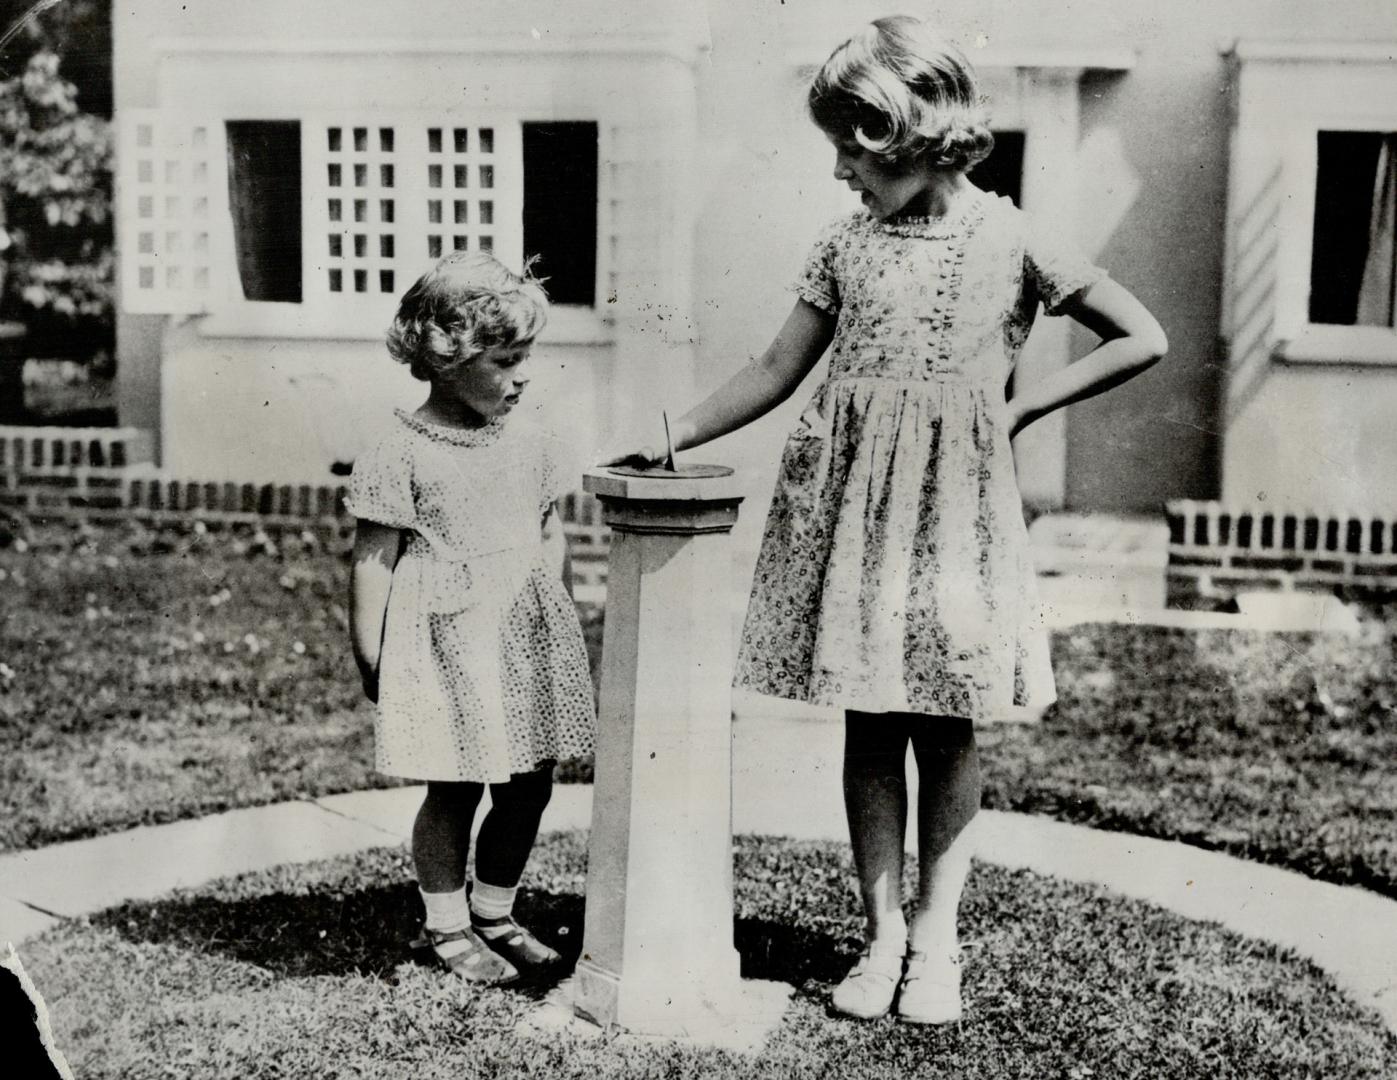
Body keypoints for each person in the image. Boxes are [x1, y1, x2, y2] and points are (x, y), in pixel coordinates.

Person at [604, 15, 1167, 1023]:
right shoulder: (842, 245)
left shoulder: (1012, 233)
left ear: (906, 143)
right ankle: (882, 939)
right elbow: (777, 367)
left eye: (848, 153)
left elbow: (1142, 336)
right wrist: (672, 432)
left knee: (944, 722)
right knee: (869, 718)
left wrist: (1021, 405)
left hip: (953, 512)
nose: (838, 176)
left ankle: (936, 945)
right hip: (853, 504)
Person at [347, 251, 596, 985]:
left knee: (530, 781)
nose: (522, 376)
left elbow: (548, 530)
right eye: (506, 359)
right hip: (444, 641)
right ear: (446, 356)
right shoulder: (401, 451)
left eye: (528, 358)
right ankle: (446, 925)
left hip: (522, 638)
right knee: (454, 784)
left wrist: (558, 619)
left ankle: (495, 910)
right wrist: (374, 658)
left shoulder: (534, 441)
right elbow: (373, 562)